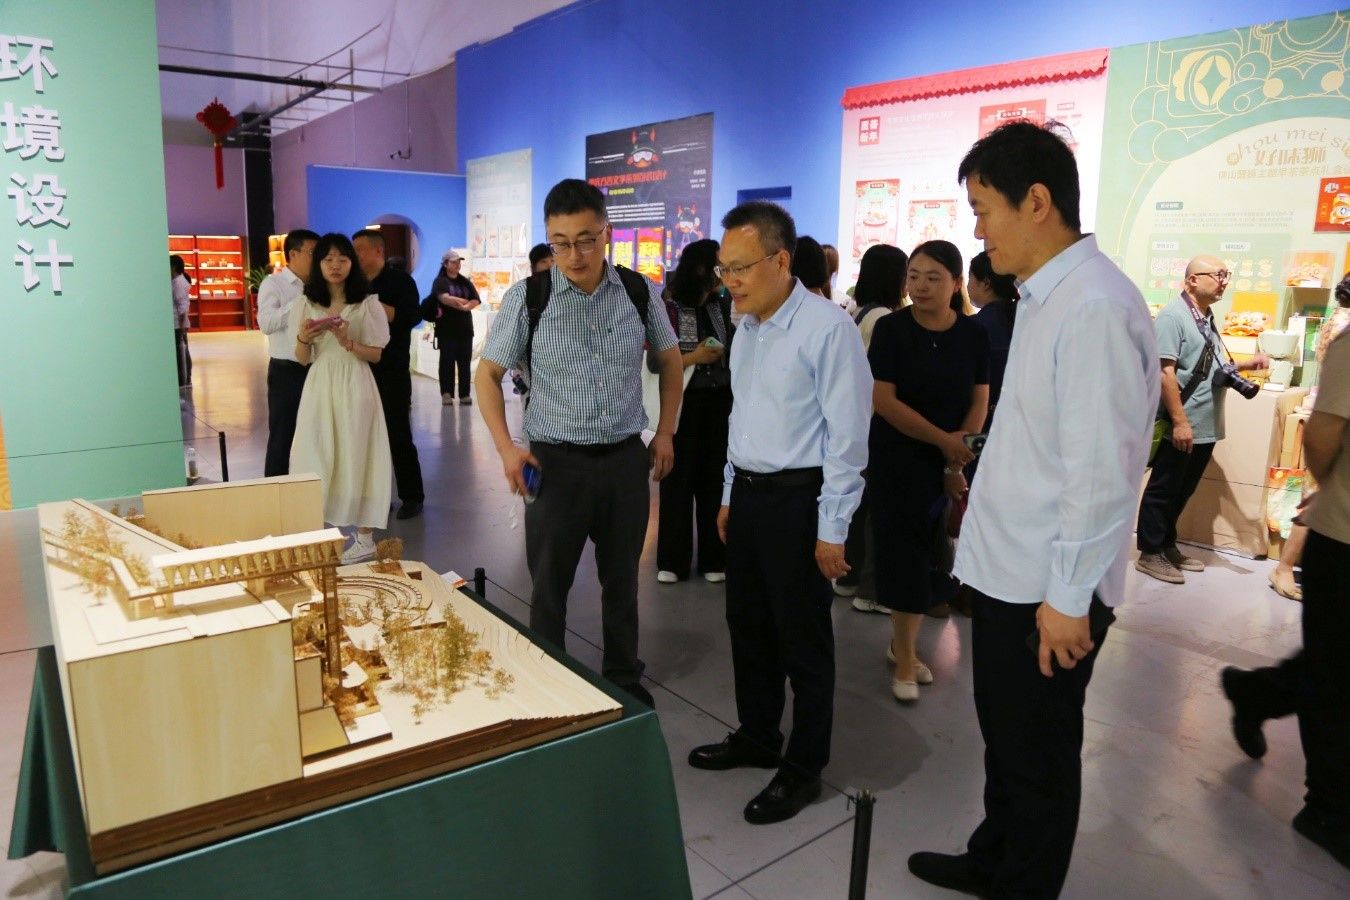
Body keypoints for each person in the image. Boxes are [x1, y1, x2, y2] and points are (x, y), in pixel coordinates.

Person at [907, 121, 1159, 898]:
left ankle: (1023, 883)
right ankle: (994, 858)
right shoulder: (1049, 297)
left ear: (1038, 202)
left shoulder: (1094, 307)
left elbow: (1101, 472)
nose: (978, 231)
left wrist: (1070, 597)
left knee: (1038, 756)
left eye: (984, 210)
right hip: (1013, 574)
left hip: (1049, 590)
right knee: (1008, 742)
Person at [687, 201, 871, 825]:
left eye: (739, 268)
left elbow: (847, 439)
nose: (728, 282)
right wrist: (728, 493)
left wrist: (832, 528)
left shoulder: (827, 329)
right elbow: (742, 417)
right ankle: (758, 734)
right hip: (750, 497)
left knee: (803, 640)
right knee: (748, 626)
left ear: (781, 260)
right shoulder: (747, 328)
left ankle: (804, 766)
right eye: (723, 268)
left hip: (800, 500)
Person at [475, 178, 682, 707]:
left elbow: (670, 360)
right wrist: (507, 448)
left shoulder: (639, 292)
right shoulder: (530, 297)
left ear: (606, 233)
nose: (574, 255)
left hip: (624, 461)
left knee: (623, 581)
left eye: (586, 240)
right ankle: (549, 680)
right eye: (561, 243)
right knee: (549, 584)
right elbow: (487, 374)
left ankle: (623, 674)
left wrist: (665, 431)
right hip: (554, 464)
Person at [1220, 329, 1350, 871]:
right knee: (1336, 679)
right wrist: (1339, 491)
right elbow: (1321, 434)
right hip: (1344, 538)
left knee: (1332, 664)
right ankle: (1328, 811)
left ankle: (1255, 693)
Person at [867, 240, 988, 700]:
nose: (920, 286)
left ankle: (902, 646)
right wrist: (944, 442)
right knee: (904, 558)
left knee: (931, 556)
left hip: (950, 460)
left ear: (956, 283)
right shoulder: (892, 329)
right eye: (913, 276)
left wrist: (957, 456)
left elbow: (979, 400)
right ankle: (905, 656)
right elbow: (884, 401)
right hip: (898, 460)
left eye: (933, 277)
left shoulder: (974, 335)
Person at [1135, 254, 1269, 583]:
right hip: (1182, 422)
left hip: (1205, 424)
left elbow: (1209, 364)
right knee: (1164, 488)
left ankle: (1166, 544)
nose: (1224, 281)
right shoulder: (1173, 316)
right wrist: (1180, 422)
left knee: (1183, 490)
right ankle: (1149, 552)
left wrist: (1245, 365)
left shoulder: (1205, 316)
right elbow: (1164, 372)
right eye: (1218, 274)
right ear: (1193, 280)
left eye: (1226, 274)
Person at [289, 233, 393, 564]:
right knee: (314, 452)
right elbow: (301, 359)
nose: (335, 265)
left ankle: (365, 539)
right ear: (318, 264)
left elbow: (376, 354)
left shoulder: (367, 304)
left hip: (356, 384)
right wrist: (303, 337)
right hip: (320, 385)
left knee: (358, 454)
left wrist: (348, 341)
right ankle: (315, 535)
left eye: (342, 259)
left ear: (352, 263)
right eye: (328, 259)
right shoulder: (305, 303)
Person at [834, 243, 908, 613]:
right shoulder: (883, 319)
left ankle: (848, 578)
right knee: (877, 511)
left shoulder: (858, 311)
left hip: (856, 421)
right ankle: (871, 590)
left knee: (859, 506)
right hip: (876, 424)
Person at [655, 239, 733, 585]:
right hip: (681, 403)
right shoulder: (669, 305)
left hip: (719, 402)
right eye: (719, 267)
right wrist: (695, 357)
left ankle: (715, 558)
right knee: (677, 480)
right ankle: (673, 560)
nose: (724, 274)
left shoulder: (721, 304)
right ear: (702, 269)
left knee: (714, 478)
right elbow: (655, 362)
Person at [1271, 274, 1350, 600]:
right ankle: (1284, 567)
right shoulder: (1344, 326)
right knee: (1316, 498)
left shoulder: (1337, 320)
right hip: (1335, 425)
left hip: (1332, 415)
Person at [352, 228, 425, 521]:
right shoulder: (352, 283)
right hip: (359, 368)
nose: (355, 255)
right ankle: (377, 498)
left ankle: (412, 496)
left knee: (398, 434)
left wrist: (377, 307)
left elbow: (413, 316)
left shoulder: (400, 281)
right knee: (366, 437)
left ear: (378, 251)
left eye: (360, 249)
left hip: (392, 370)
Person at [257, 229, 319, 477]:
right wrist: (300, 304)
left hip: (317, 369)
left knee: (317, 434)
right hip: (287, 371)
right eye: (313, 252)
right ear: (293, 254)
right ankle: (276, 490)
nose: (318, 258)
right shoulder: (274, 284)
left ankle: (315, 488)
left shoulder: (321, 285)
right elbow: (266, 323)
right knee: (282, 436)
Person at [969, 250, 1019, 433]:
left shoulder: (974, 328)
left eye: (970, 278)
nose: (968, 286)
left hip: (982, 426)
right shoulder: (1026, 319)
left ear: (986, 283)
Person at [425, 250, 481, 406]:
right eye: (454, 262)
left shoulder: (465, 281)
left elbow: (476, 299)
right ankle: (446, 393)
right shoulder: (440, 281)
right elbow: (445, 299)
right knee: (447, 363)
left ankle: (465, 394)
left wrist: (466, 306)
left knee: (464, 363)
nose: (457, 265)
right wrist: (464, 302)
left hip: (465, 329)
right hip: (447, 329)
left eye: (459, 262)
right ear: (445, 264)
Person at [169, 255, 192, 389]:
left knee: (181, 352)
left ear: (174, 267)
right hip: (179, 324)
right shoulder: (178, 281)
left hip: (178, 324)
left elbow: (182, 307)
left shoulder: (178, 283)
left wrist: (182, 326)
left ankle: (183, 380)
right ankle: (185, 378)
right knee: (182, 351)